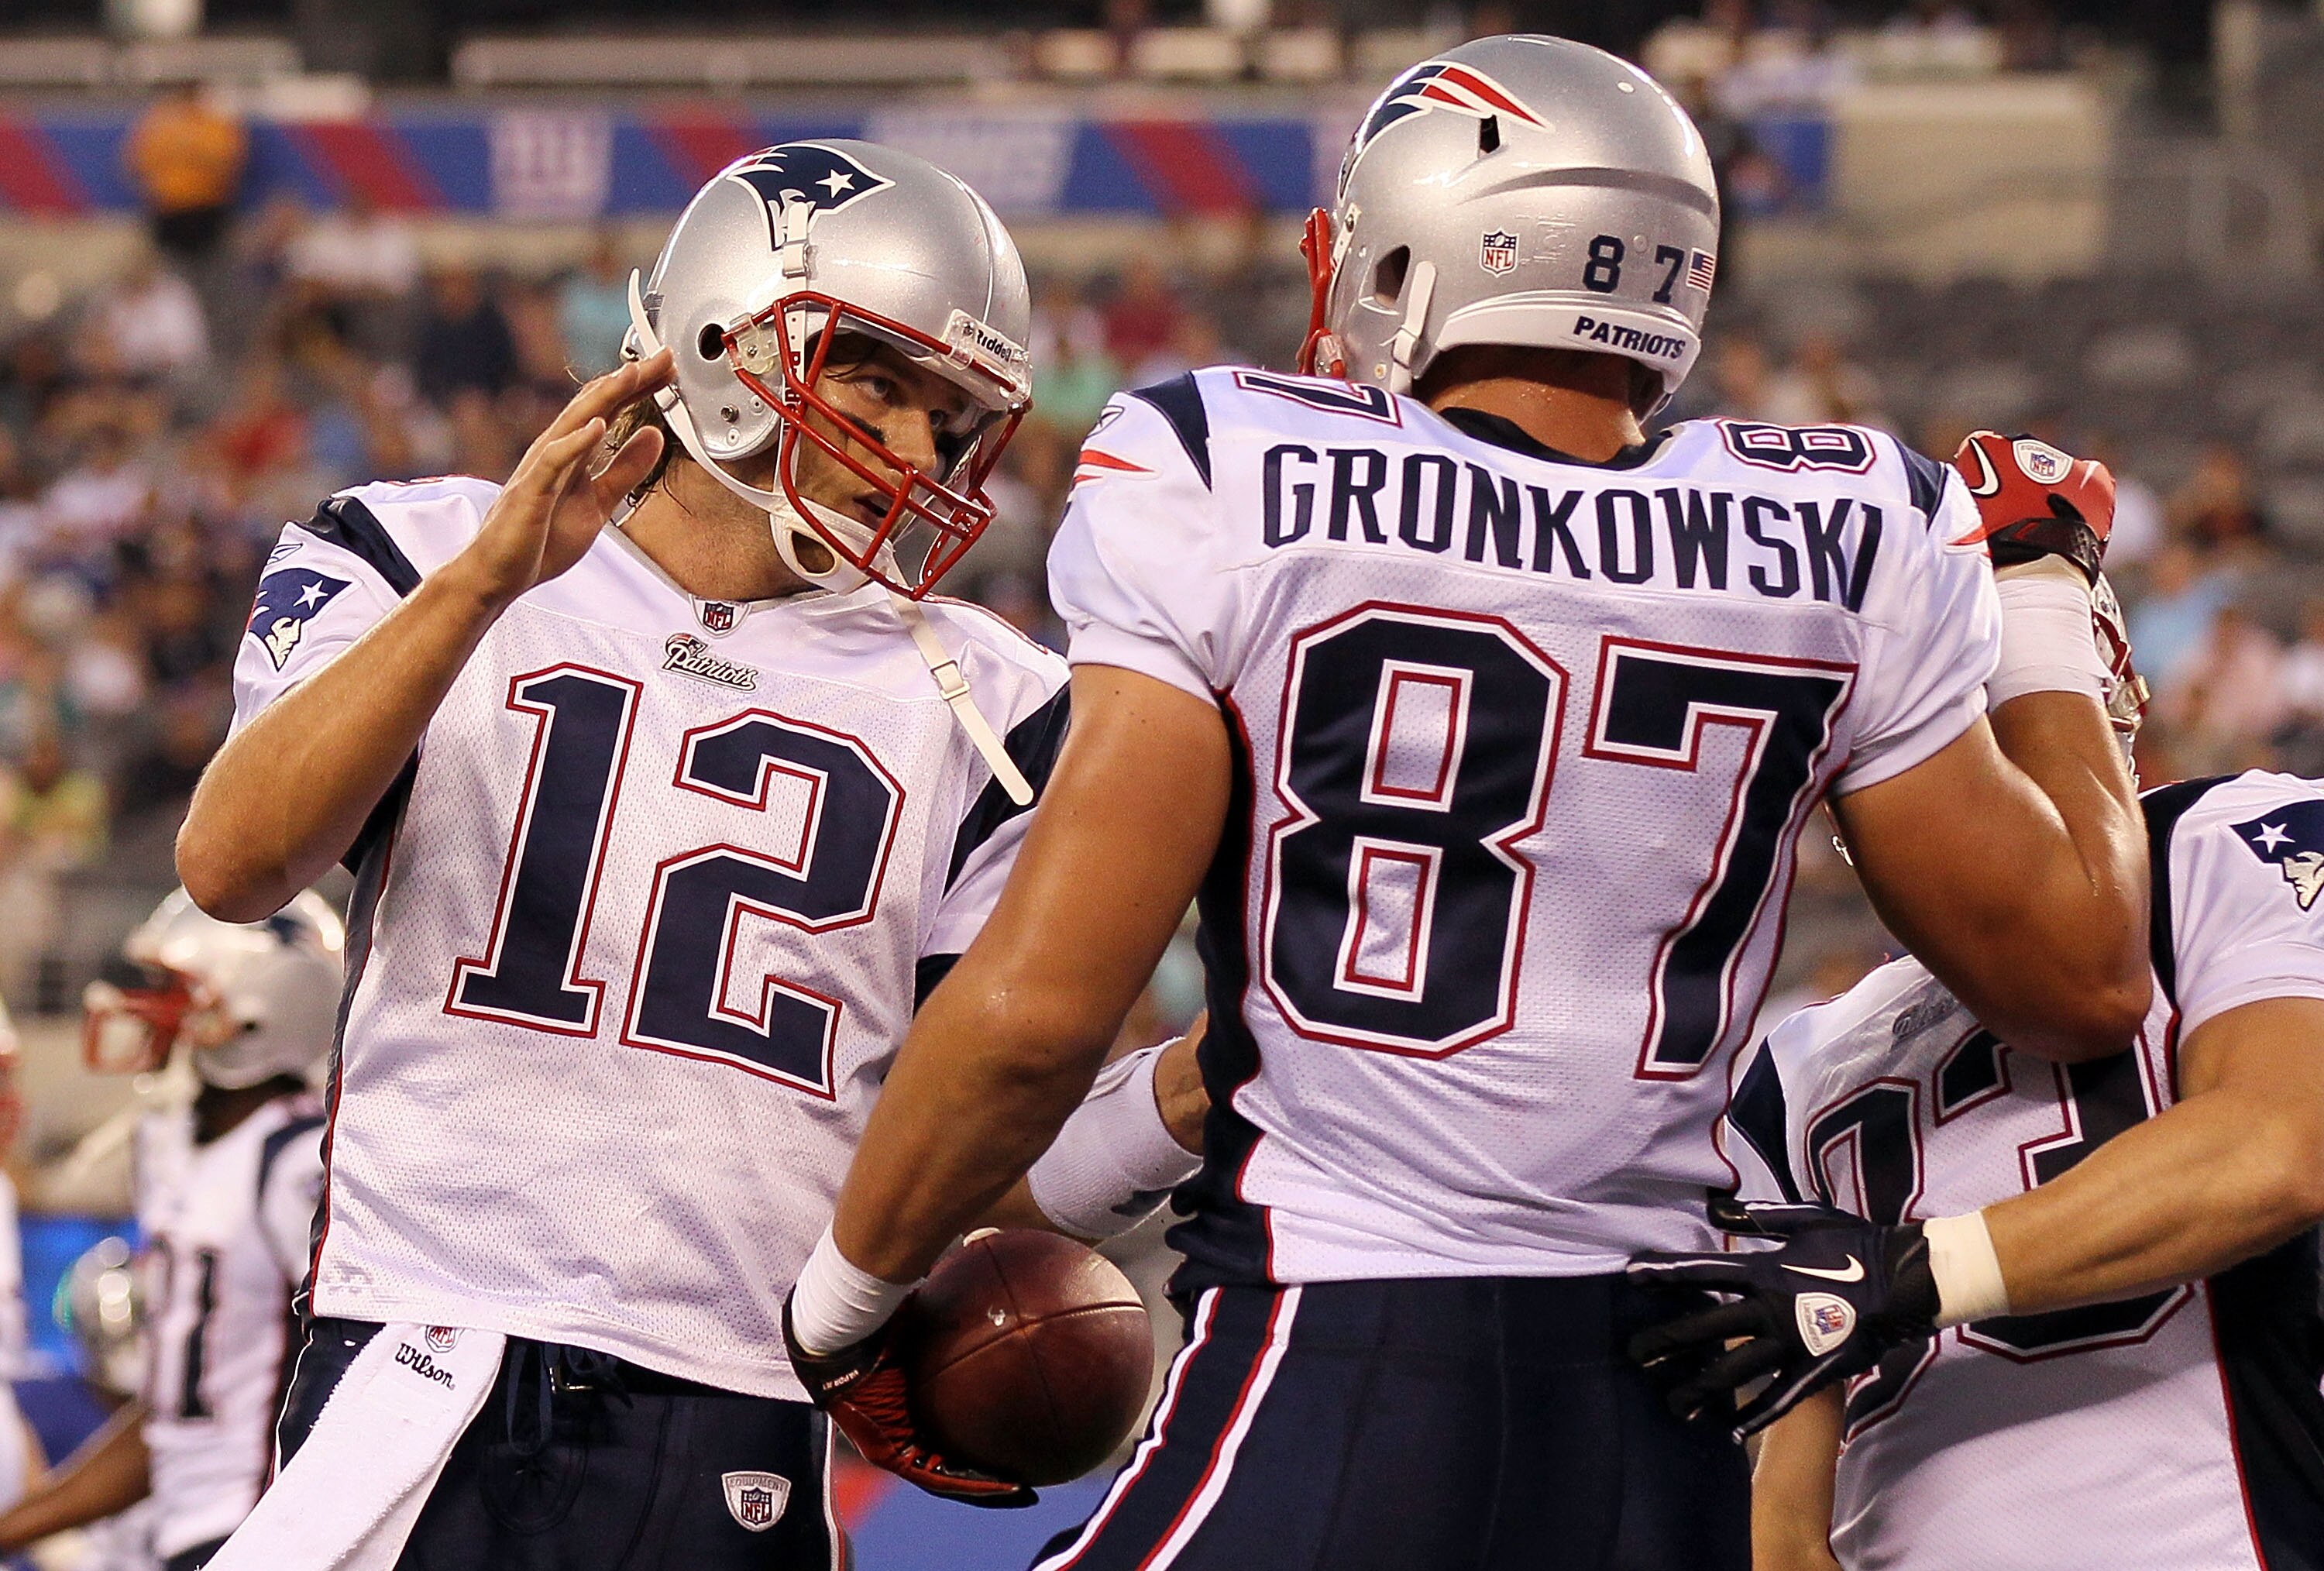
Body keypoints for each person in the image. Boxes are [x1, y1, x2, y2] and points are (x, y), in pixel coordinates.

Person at [781, 36, 2150, 1571]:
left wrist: (834, 1306)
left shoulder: (1228, 467)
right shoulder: (1853, 524)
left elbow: (1035, 1019)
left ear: (1437, 245)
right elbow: (2086, 973)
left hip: (1348, 1361)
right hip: (1669, 1403)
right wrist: (2035, 602)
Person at [176, 142, 1207, 1570]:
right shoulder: (417, 547)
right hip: (413, 1354)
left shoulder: (1006, 704)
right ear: (724, 337)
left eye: (953, 413)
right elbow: (233, 861)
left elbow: (984, 1150)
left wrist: (1196, 1087)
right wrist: (488, 586)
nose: (918, 450)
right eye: (881, 382)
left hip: (736, 1411)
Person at [1722, 765, 2324, 1569]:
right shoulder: (1789, 1064)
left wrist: (1914, 1274)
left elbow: (2282, 1146)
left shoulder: (2222, 833)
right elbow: (1787, 1524)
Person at [0, 889, 342, 1571]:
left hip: (262, 1532)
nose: (152, 1014)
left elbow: (350, 1381)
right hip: (184, 1535)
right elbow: (176, 1418)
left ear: (254, 1020)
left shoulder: (301, 1164)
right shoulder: (182, 1154)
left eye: (177, 995)